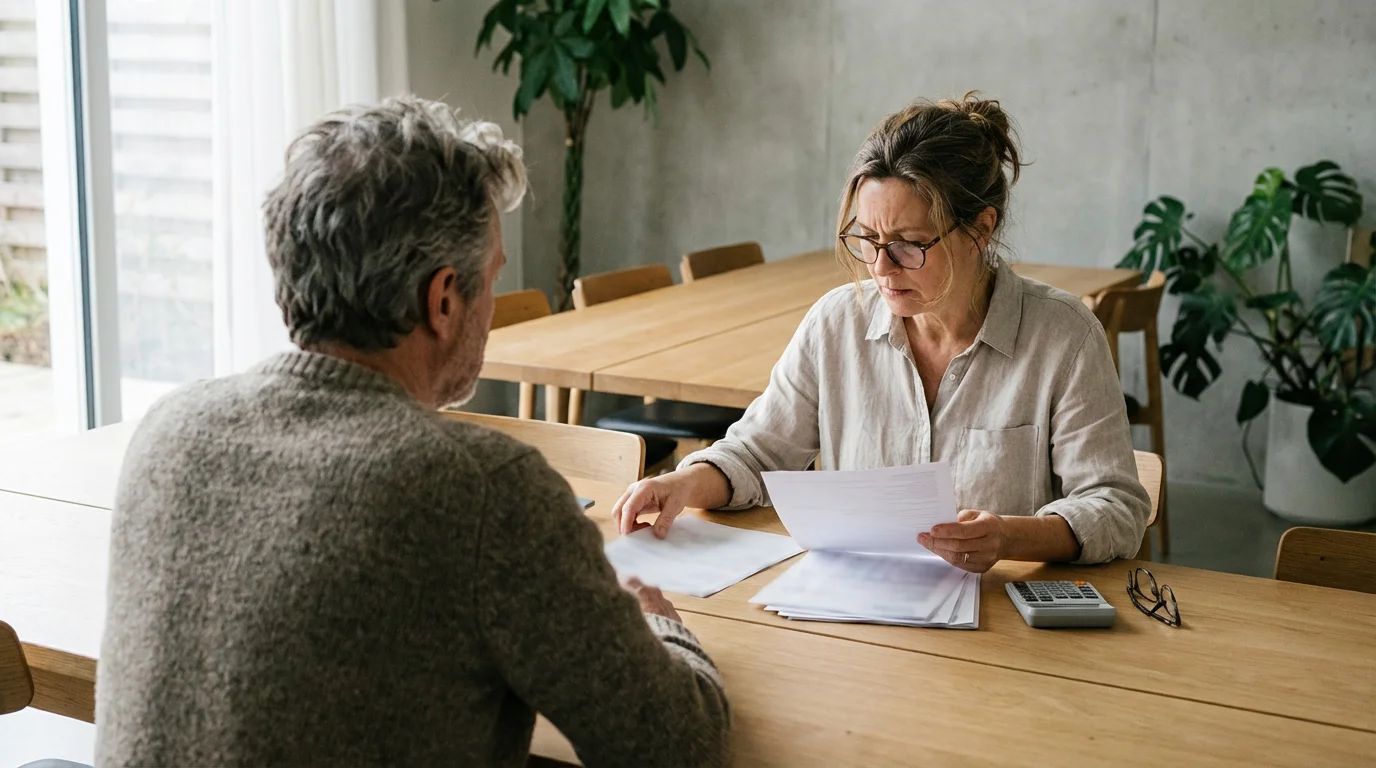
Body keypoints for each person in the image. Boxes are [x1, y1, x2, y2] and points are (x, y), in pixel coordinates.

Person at [95, 95, 730, 767]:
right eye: (491, 281)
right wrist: (658, 622)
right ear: (444, 299)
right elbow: (679, 747)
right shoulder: (483, 490)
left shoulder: (167, 431)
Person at [614, 93, 1150, 570]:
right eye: (867, 239)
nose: (880, 266)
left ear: (980, 230)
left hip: (1000, 625)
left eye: (908, 243)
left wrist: (1011, 535)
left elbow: (1114, 505)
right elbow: (757, 452)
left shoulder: (1064, 337)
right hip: (860, 616)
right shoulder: (836, 323)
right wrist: (682, 481)